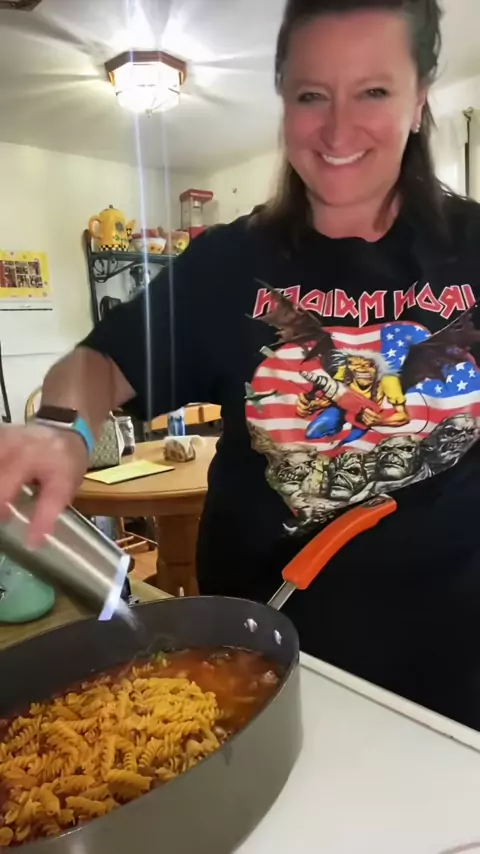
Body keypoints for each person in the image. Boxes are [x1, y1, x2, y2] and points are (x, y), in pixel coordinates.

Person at [2, 0, 480, 727]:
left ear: (419, 102)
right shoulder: (227, 264)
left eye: (374, 92)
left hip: (454, 654)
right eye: (312, 95)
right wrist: (61, 425)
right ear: (283, 101)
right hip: (262, 653)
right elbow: (101, 362)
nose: (338, 130)